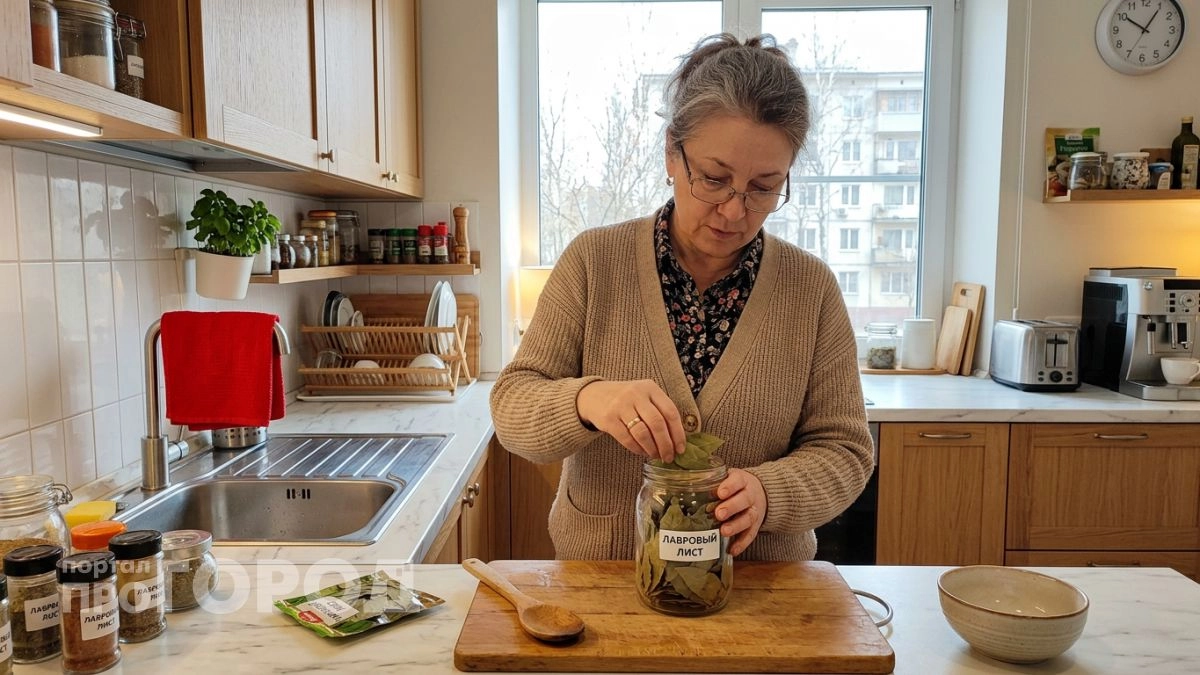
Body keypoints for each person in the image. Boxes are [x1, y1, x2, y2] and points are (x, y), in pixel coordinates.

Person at [490, 33, 873, 561]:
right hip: (606, 580)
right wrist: (587, 400)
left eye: (763, 188)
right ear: (672, 152)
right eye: (714, 179)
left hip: (765, 592)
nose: (735, 211)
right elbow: (512, 409)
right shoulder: (595, 261)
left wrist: (769, 493)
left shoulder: (810, 290)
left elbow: (846, 451)